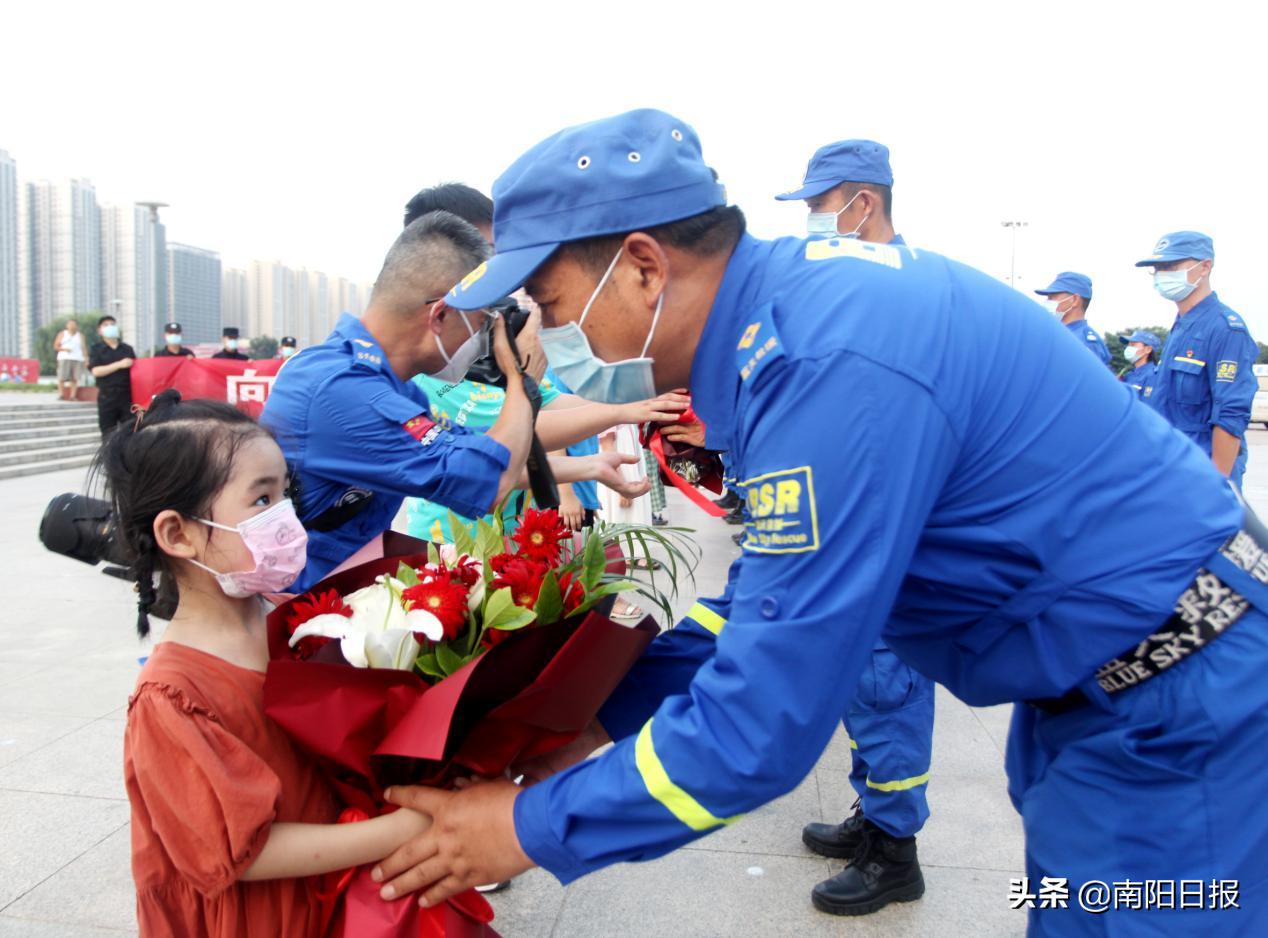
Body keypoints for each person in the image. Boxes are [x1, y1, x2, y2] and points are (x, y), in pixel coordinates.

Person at [373, 109, 1268, 937]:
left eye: (555, 305)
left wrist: (521, 828)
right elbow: (773, 606)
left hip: (1182, 715)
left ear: (644, 265)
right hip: (1110, 704)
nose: (551, 333)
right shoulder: (788, 328)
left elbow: (765, 720)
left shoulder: (826, 360)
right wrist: (596, 725)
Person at [96, 390, 429, 937]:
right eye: (261, 501)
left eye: (285, 494)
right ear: (178, 534)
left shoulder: (290, 620)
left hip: (329, 891)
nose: (286, 517)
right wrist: (405, 830)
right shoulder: (171, 695)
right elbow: (244, 851)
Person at [262, 210, 649, 591]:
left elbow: (484, 455)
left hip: (335, 586)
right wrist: (522, 377)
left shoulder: (388, 385)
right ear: (440, 315)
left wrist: (592, 465)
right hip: (293, 604)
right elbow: (490, 479)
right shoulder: (343, 393)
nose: (483, 343)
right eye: (482, 326)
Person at [772, 137, 933, 914]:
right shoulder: (861, 286)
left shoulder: (902, 291)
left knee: (886, 682)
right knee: (862, 686)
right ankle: (875, 815)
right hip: (855, 525)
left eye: (817, 205)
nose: (812, 221)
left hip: (889, 531)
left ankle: (896, 851)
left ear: (860, 204)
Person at [1138, 231, 1257, 489]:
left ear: (1205, 267)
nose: (1162, 274)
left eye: (1171, 266)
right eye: (1157, 268)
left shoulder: (1225, 329)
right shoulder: (1182, 327)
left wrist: (1214, 489)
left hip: (1201, 476)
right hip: (1171, 469)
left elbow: (1230, 415)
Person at [1034, 273, 1110, 365]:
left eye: (1052, 297)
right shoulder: (1061, 334)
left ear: (1075, 300)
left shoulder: (1084, 342)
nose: (1047, 302)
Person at [87, 315, 137, 437]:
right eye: (106, 325)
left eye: (112, 324)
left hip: (127, 396)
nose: (110, 327)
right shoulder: (96, 349)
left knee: (131, 432)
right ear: (100, 330)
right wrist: (119, 364)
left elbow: (137, 371)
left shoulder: (127, 349)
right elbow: (96, 371)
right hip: (107, 396)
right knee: (108, 433)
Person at [1120, 331, 1161, 400]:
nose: (1128, 348)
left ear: (1148, 349)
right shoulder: (1129, 375)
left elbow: (1147, 405)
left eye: (1133, 345)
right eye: (1128, 345)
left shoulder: (1153, 376)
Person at [54, 318, 86, 400]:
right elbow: (56, 346)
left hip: (78, 358)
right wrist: (65, 350)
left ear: (77, 326)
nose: (72, 326)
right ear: (67, 326)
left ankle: (73, 396)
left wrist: (86, 358)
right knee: (62, 377)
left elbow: (83, 348)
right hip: (64, 358)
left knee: (75, 378)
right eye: (70, 324)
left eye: (74, 324)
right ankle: (61, 394)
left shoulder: (80, 336)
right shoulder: (62, 334)